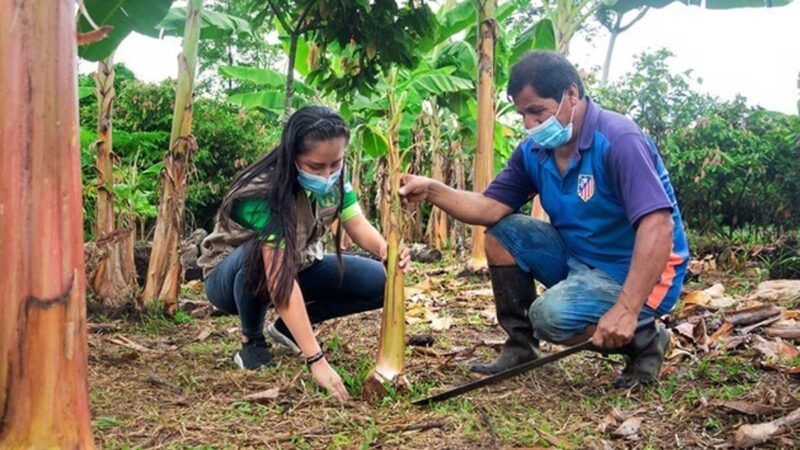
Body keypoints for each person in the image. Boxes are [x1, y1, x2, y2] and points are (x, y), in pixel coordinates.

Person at [399, 51, 689, 388]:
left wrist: (627, 307)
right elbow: (489, 207)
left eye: (537, 111)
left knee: (550, 316)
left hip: (641, 273)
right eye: (522, 114)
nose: (529, 124)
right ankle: (521, 347)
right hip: (580, 258)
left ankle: (646, 339)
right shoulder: (534, 151)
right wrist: (432, 190)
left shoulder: (619, 140)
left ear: (571, 94)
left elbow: (658, 225)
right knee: (502, 234)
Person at [198, 106, 410, 401]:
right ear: (292, 156)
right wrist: (316, 360)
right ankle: (252, 341)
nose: (327, 175)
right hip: (231, 277)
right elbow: (278, 277)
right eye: (316, 166)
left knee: (380, 282)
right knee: (259, 255)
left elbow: (356, 223)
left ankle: (289, 328)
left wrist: (385, 249)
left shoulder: (337, 178)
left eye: (335, 164)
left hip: (297, 261)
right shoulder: (263, 192)